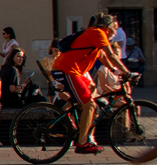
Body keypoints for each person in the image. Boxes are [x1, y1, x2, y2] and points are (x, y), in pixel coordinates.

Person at [51, 15, 127, 155]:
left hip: (74, 71)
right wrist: (127, 72)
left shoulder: (95, 35)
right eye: (115, 28)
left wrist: (115, 71)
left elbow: (102, 56)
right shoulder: (98, 33)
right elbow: (111, 54)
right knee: (90, 105)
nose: (116, 32)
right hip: (67, 70)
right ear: (108, 27)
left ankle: (78, 123)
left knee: (92, 93)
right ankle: (82, 143)